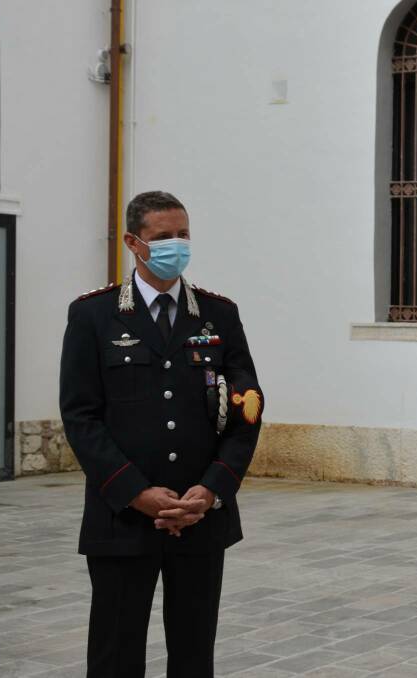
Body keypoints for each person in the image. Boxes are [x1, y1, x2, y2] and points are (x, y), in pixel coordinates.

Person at [59, 191, 264, 677]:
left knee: (194, 654)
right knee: (115, 654)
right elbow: (81, 417)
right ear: (134, 242)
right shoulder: (94, 315)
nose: (177, 245)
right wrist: (137, 494)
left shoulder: (219, 314)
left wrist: (212, 489)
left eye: (183, 234)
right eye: (163, 237)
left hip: (199, 517)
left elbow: (247, 413)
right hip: (123, 518)